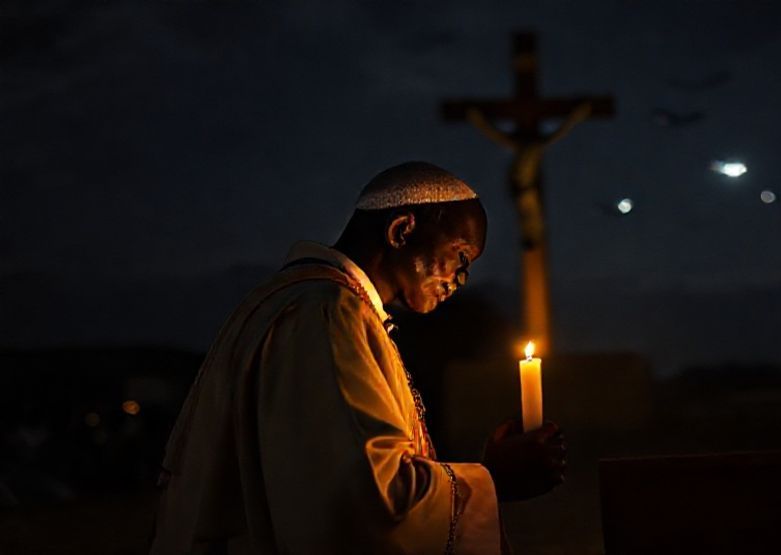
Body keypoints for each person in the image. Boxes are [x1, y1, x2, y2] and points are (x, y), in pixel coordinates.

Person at [150, 162, 566, 555]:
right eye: (460, 257)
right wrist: (492, 481)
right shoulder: (327, 313)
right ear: (402, 230)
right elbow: (361, 503)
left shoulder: (316, 304)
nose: (460, 279)